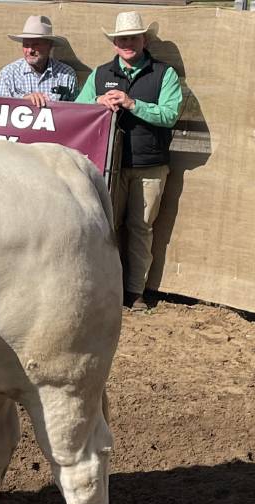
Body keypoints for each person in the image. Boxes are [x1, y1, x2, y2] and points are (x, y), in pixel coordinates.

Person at [75, 11, 183, 311]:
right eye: (122, 38)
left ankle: (134, 291)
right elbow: (76, 109)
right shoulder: (100, 75)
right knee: (106, 227)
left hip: (150, 165)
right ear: (114, 43)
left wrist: (133, 104)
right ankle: (106, 289)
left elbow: (170, 114)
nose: (127, 43)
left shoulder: (164, 74)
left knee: (140, 228)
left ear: (144, 40)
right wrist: (97, 103)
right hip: (108, 164)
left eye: (133, 37)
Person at [0, 16, 78, 108]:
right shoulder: (8, 74)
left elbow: (75, 112)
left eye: (36, 44)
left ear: (49, 45)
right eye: (26, 45)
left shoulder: (67, 75)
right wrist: (23, 102)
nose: (30, 50)